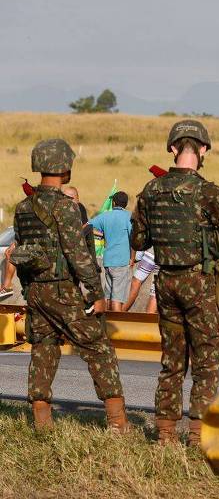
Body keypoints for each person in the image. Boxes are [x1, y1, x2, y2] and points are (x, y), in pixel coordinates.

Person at [130, 120, 219, 445]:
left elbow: (139, 241)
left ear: (172, 149)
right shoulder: (208, 191)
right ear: (204, 150)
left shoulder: (150, 191)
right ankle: (198, 435)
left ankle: (166, 433)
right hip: (200, 283)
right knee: (206, 358)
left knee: (172, 359)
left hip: (166, 281)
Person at [14, 139, 128, 432]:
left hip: (36, 291)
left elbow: (23, 251)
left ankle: (42, 424)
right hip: (63, 290)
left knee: (43, 349)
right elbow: (79, 254)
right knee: (99, 348)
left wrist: (30, 291)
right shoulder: (66, 207)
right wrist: (96, 292)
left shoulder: (23, 207)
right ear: (65, 167)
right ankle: (118, 423)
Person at [89, 191, 133, 311]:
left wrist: (101, 234)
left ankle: (108, 324)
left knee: (108, 296)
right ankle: (117, 327)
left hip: (108, 261)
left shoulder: (105, 216)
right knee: (117, 298)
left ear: (113, 202)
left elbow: (86, 226)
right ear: (126, 204)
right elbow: (133, 239)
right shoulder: (129, 217)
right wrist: (132, 259)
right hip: (122, 262)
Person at [123, 248, 159, 314]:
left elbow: (139, 241)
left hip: (152, 253)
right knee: (154, 292)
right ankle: (148, 322)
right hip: (166, 257)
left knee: (136, 281)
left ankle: (119, 314)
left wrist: (134, 256)